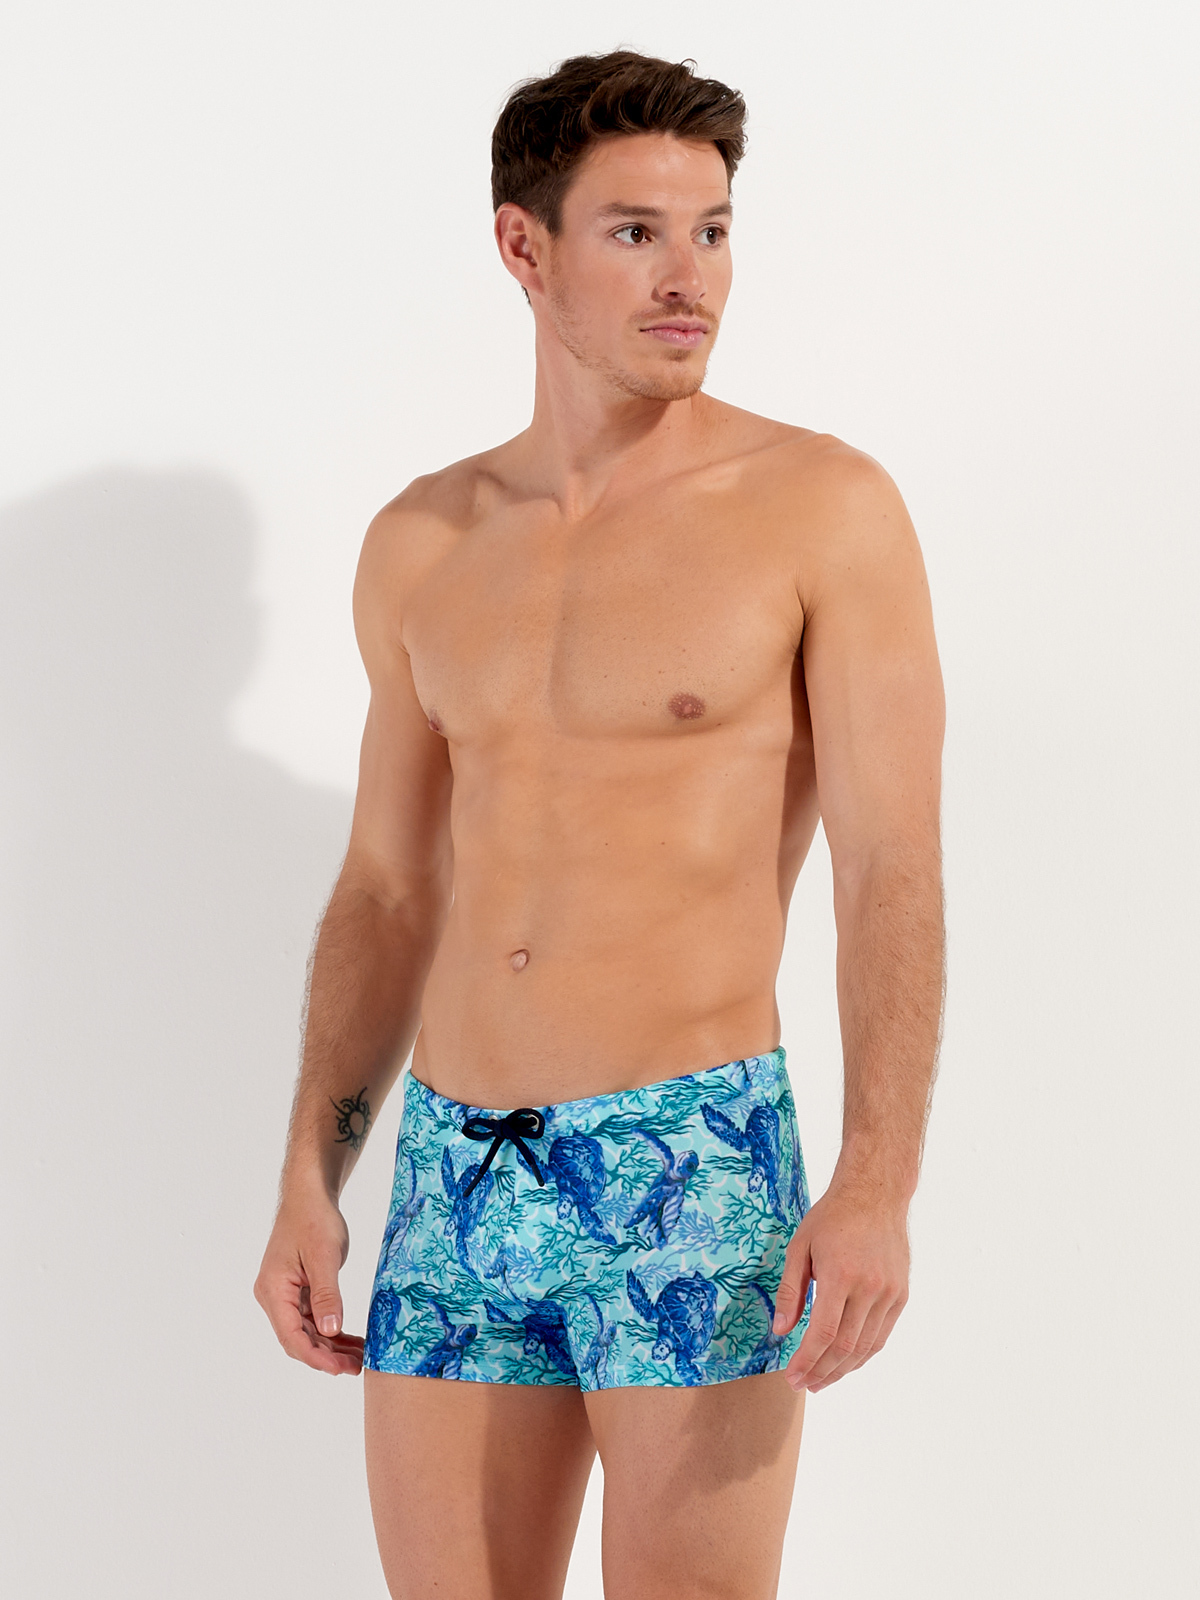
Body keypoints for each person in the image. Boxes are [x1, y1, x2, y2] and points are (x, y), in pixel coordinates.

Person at [254, 48, 945, 1600]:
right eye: (637, 233)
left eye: (713, 231)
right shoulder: (424, 541)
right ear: (525, 246)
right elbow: (387, 888)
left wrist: (877, 1177)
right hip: (455, 1169)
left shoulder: (820, 509)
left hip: (690, 1159)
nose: (689, 278)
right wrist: (310, 1168)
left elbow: (892, 865)